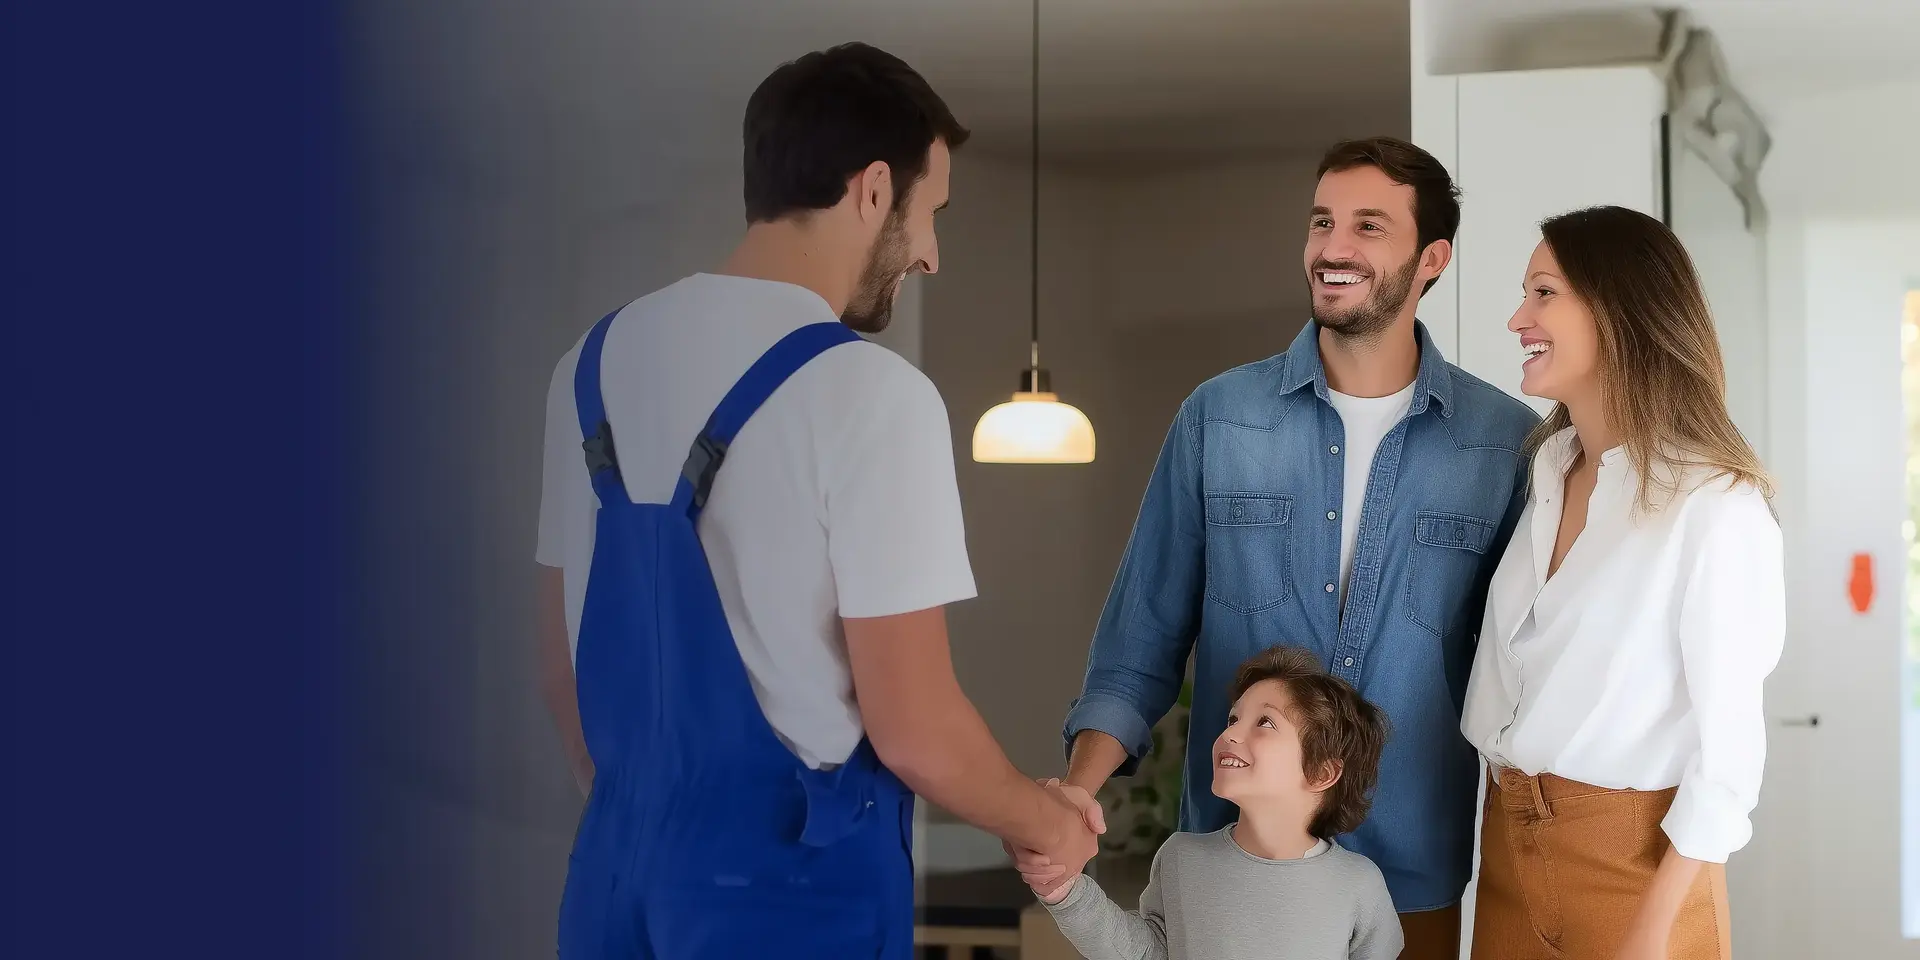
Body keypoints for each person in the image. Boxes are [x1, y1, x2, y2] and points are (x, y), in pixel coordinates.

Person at [532, 42, 1100, 959]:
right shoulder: (872, 395)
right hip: (789, 895)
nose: (931, 255)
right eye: (930, 214)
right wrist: (1048, 821)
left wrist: (660, 822)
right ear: (874, 188)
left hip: (611, 882)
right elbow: (915, 729)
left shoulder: (585, 370)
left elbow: (561, 674)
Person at [1017, 136, 1541, 959]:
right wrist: (1073, 798)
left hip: (1413, 865)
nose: (1334, 248)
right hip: (1232, 863)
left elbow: (1527, 675)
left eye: (1370, 227)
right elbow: (1140, 637)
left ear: (1431, 258)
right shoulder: (1219, 418)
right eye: (1322, 222)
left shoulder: (1505, 442)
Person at [1460, 205, 1783, 960]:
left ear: (1618, 309)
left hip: (1634, 870)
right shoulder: (1544, 471)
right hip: (1507, 848)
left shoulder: (1713, 504)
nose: (1517, 318)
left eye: (1544, 292)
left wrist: (1654, 927)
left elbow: (1729, 754)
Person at [1031, 645, 1402, 960]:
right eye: (1233, 719)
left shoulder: (1359, 885)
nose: (1229, 734)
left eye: (1265, 723)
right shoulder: (1182, 858)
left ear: (1322, 773)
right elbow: (1146, 952)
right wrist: (1066, 891)